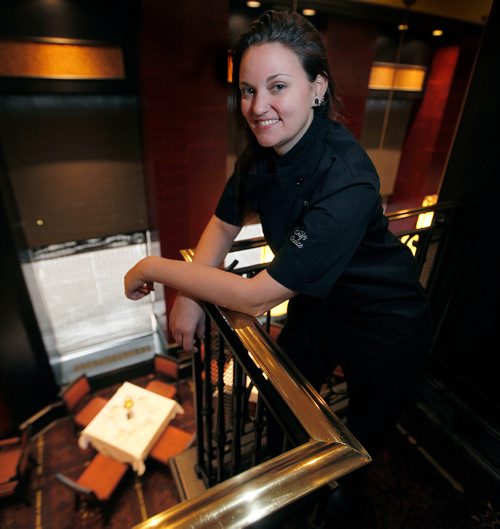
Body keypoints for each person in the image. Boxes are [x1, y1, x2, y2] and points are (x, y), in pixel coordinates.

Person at [125, 8, 431, 473]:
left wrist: (153, 268)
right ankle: (281, 477)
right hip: (318, 304)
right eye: (248, 90)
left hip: (384, 321)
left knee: (364, 437)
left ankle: (341, 499)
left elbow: (255, 297)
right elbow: (225, 223)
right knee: (280, 401)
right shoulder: (260, 157)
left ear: (319, 88)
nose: (257, 106)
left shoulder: (346, 181)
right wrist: (188, 294)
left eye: (277, 86)